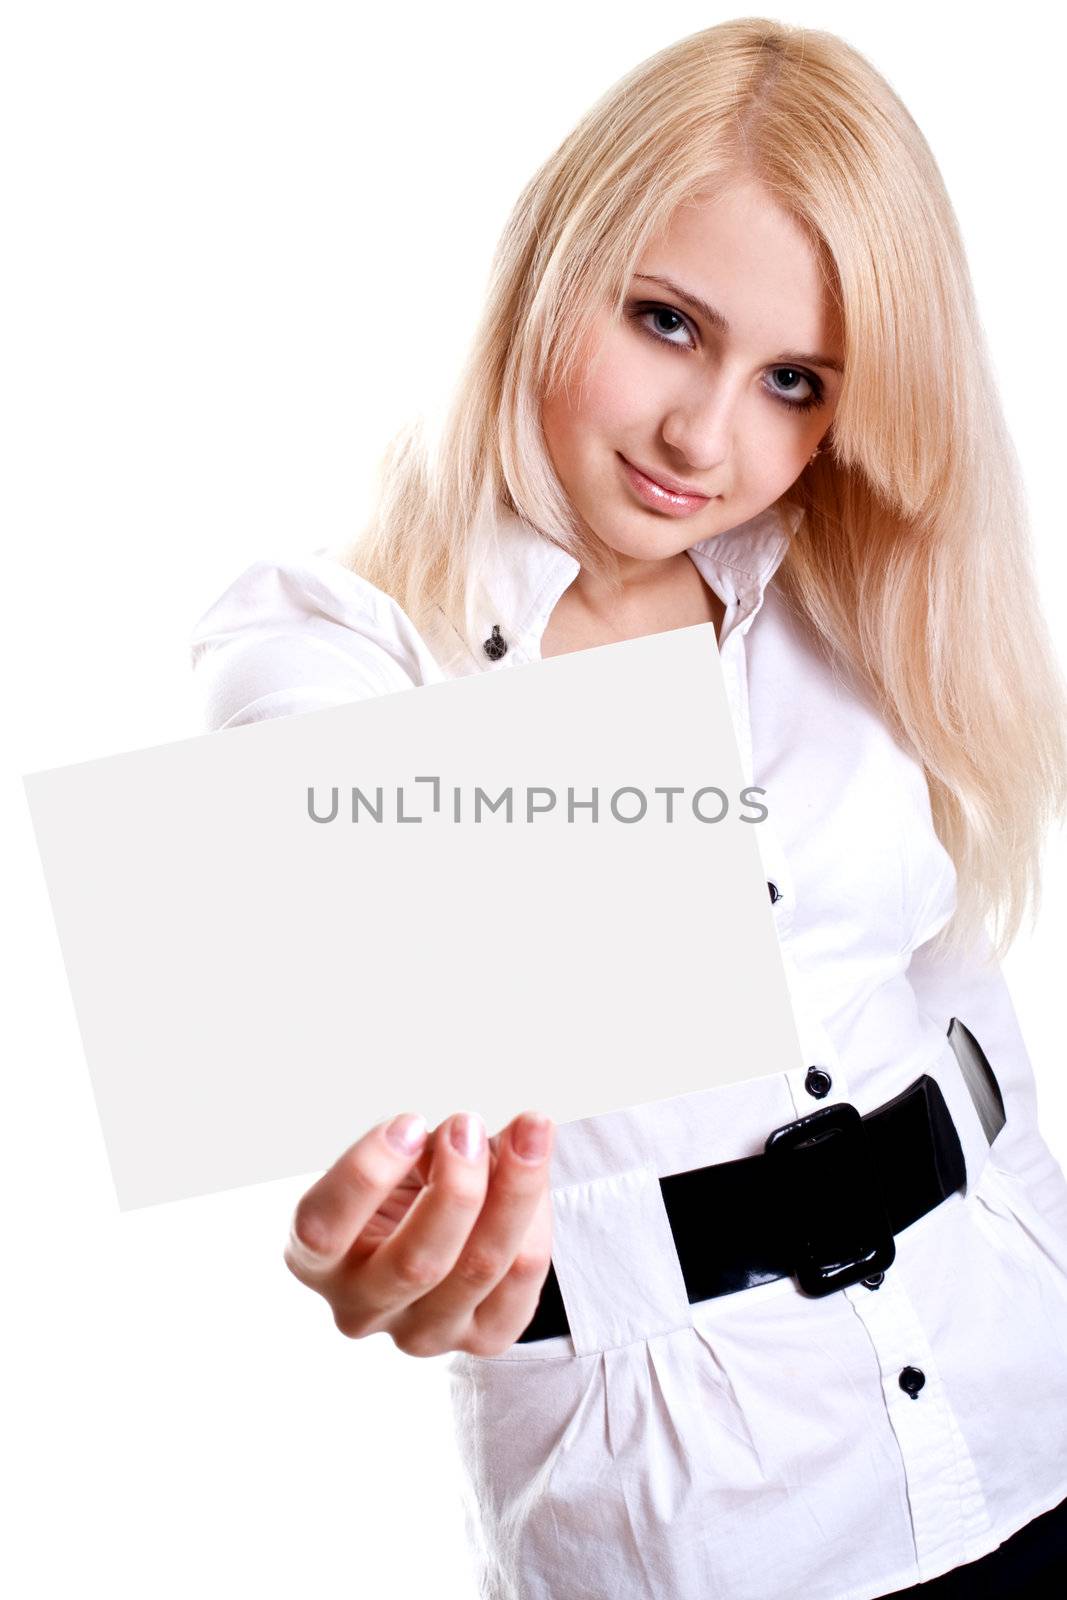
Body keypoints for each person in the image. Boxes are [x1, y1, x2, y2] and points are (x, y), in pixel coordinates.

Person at [189, 18, 1067, 1599]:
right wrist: (378, 1226)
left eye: (795, 381)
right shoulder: (342, 640)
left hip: (1026, 1408)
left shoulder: (860, 586)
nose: (704, 440)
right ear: (551, 263)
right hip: (703, 1536)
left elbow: (958, 1018)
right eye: (668, 322)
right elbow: (317, 984)